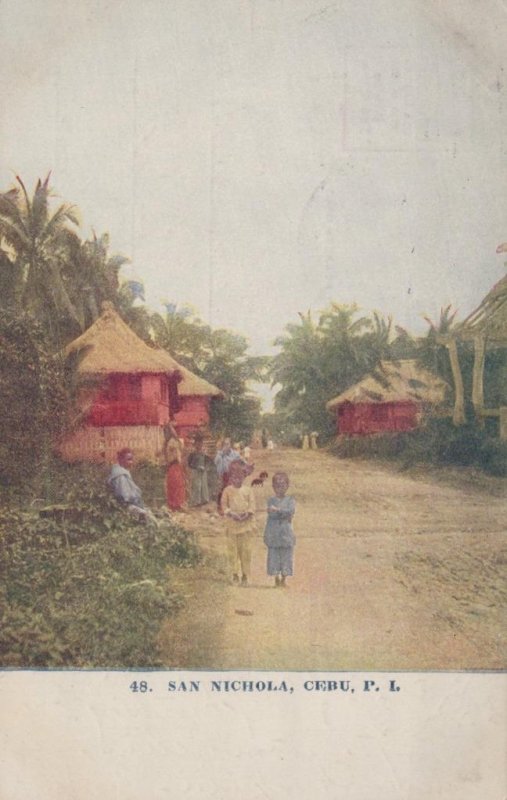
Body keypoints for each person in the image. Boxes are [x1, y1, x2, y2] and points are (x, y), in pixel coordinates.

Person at [221, 461, 257, 586]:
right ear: (230, 476)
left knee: (245, 551)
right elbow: (224, 505)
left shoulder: (248, 490)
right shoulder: (227, 491)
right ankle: (235, 574)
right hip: (232, 525)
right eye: (234, 477)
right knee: (233, 551)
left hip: (245, 525)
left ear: (245, 476)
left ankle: (245, 575)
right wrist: (231, 513)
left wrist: (247, 514)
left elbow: (252, 505)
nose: (237, 479)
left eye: (240, 476)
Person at [108, 448, 158, 525]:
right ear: (121, 460)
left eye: (132, 459)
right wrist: (136, 501)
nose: (131, 462)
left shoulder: (122, 471)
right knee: (151, 520)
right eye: (129, 460)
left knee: (153, 515)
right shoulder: (120, 476)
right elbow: (124, 496)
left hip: (131, 504)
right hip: (124, 507)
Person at [263, 471, 296, 588]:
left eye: (282, 486)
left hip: (286, 532)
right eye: (277, 486)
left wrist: (278, 511)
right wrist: (282, 513)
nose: (280, 489)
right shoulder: (271, 500)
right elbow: (272, 515)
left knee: (286, 555)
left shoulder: (291, 500)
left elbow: (290, 512)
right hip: (273, 532)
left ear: (287, 486)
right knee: (274, 555)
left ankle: (284, 578)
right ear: (273, 487)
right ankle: (276, 578)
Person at [214, 437, 242, 509]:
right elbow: (215, 462)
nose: (226, 446)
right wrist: (221, 454)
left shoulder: (235, 454)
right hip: (223, 475)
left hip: (233, 475)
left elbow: (241, 462)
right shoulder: (220, 453)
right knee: (222, 489)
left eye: (227, 444)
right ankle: (220, 506)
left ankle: (232, 504)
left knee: (233, 489)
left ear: (231, 445)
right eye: (225, 444)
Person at [187, 436, 211, 507]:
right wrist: (196, 467)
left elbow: (208, 461)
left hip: (203, 471)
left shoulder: (204, 453)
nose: (199, 445)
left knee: (204, 485)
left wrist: (206, 467)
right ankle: (196, 501)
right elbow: (189, 463)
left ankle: (204, 500)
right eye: (197, 444)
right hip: (195, 471)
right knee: (197, 486)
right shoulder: (192, 453)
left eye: (200, 444)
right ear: (195, 444)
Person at [165, 438, 187, 512]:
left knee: (179, 486)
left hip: (176, 467)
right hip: (173, 467)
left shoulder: (176, 442)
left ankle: (178, 504)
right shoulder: (171, 443)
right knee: (174, 486)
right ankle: (174, 504)